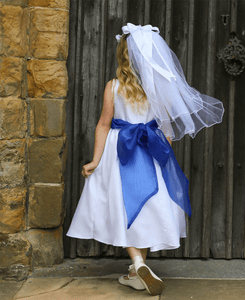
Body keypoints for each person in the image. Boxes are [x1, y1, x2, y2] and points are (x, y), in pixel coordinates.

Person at [67, 23, 224, 296]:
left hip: (120, 150)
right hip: (149, 150)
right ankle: (138, 267)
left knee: (122, 207)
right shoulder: (158, 89)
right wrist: (164, 153)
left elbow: (103, 125)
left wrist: (95, 160)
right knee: (149, 207)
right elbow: (167, 132)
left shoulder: (114, 87)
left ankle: (137, 265)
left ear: (124, 55)